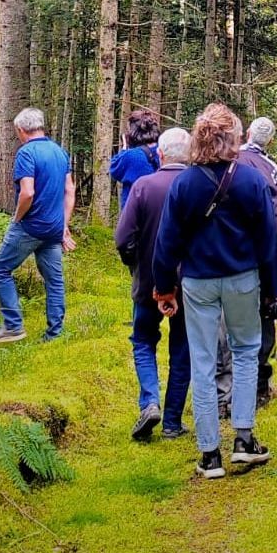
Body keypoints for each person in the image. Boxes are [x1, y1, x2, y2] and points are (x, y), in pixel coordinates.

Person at [152, 104, 277, 479]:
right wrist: (273, 290)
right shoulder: (251, 181)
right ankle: (244, 440)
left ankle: (209, 455)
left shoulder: (185, 184)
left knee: (204, 361)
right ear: (234, 139)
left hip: (197, 283)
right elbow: (267, 241)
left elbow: (167, 242)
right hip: (243, 278)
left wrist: (164, 288)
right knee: (244, 353)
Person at [114, 127, 193, 442]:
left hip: (147, 281)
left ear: (160, 155)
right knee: (182, 348)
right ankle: (173, 421)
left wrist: (134, 263)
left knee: (144, 341)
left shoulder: (144, 186)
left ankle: (149, 402)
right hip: (191, 284)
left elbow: (123, 237)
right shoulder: (198, 187)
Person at [0, 107, 76, 344]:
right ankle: (55, 333)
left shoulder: (26, 153)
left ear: (21, 130)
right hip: (54, 228)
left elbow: (27, 193)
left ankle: (13, 326)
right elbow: (70, 191)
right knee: (54, 280)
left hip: (30, 226)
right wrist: (63, 225)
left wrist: (17, 218)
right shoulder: (60, 152)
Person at [216, 116, 277, 413]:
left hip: (225, 253)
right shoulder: (271, 170)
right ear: (269, 141)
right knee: (264, 313)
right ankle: (257, 386)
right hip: (260, 253)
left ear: (246, 134)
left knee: (224, 320)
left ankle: (223, 390)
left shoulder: (226, 164)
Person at [110, 108, 161, 209]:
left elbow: (114, 169)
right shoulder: (164, 151)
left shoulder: (131, 156)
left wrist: (124, 148)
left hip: (134, 214)